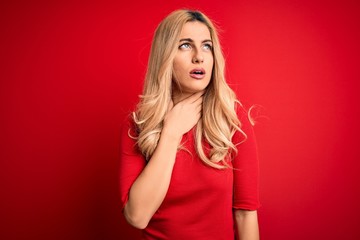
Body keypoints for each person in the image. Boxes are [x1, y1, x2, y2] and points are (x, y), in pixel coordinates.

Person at [119, 9, 260, 240]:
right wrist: (171, 132)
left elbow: (245, 216)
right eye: (185, 45)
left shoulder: (232, 118)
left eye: (207, 46)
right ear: (164, 56)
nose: (199, 56)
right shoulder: (137, 125)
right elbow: (137, 216)